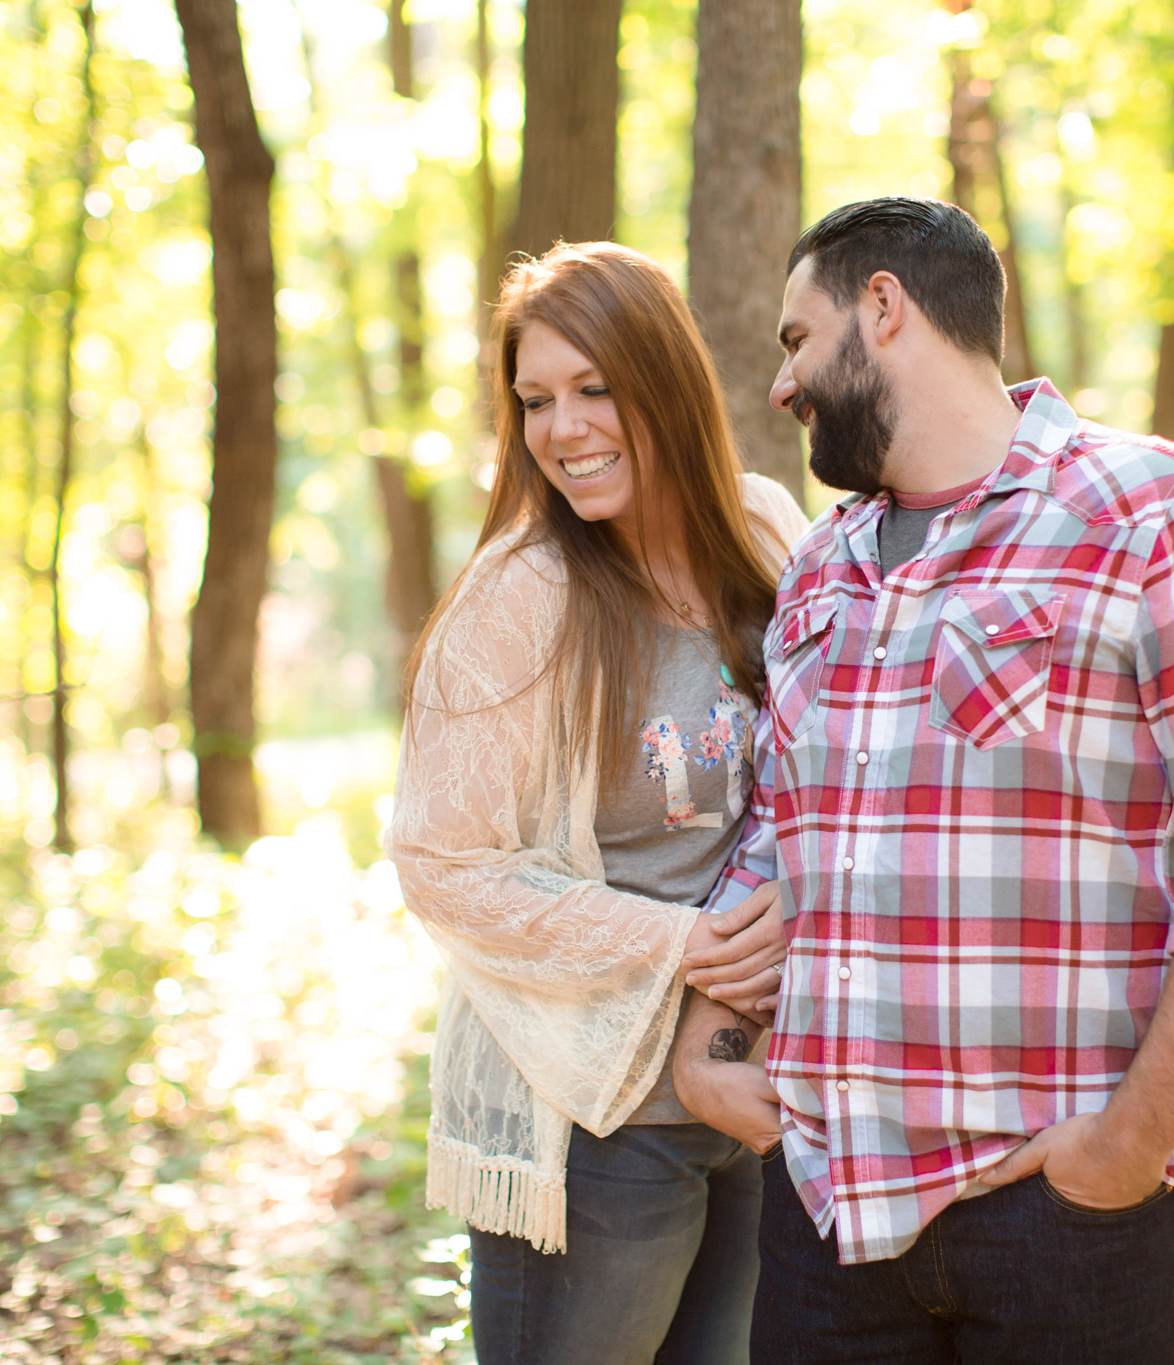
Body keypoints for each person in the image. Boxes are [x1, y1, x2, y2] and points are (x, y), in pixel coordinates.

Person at [671, 198, 1174, 1363]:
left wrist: (1125, 1149)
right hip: (827, 1214)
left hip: (1068, 1219)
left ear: (881, 308)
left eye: (795, 338)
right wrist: (704, 1042)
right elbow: (777, 831)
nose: (780, 388)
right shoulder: (824, 560)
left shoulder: (1166, 513)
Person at [384, 241, 811, 1365]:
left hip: (748, 1095)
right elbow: (442, 861)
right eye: (534, 400)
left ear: (664, 381)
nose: (561, 429)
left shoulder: (765, 532)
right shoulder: (523, 598)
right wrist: (684, 944)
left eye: (594, 389)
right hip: (594, 1112)